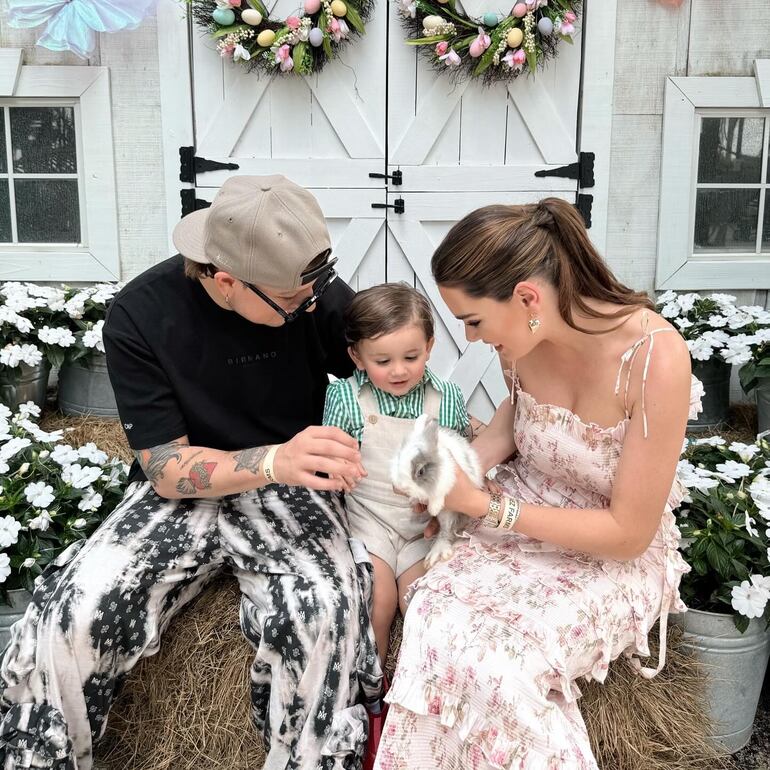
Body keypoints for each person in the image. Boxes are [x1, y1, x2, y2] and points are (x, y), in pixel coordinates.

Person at [0, 175, 382, 770]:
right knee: (72, 613)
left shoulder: (304, 286)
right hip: (186, 485)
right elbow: (166, 467)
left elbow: (389, 363)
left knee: (326, 615)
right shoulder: (139, 315)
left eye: (315, 293)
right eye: (292, 301)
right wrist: (274, 458)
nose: (311, 308)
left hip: (292, 483)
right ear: (225, 279)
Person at [375, 198, 702, 769]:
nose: (471, 339)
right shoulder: (522, 342)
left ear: (527, 297)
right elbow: (518, 416)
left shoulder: (655, 359)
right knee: (428, 608)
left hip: (611, 552)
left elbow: (627, 532)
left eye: (473, 321)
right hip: (525, 502)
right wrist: (457, 469)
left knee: (506, 663)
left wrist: (487, 508)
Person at [322, 283, 470, 667]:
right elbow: (333, 458)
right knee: (379, 602)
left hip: (423, 524)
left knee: (421, 600)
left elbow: (456, 460)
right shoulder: (346, 398)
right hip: (370, 520)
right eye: (383, 361)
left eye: (411, 356)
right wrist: (340, 469)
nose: (399, 370)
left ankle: (415, 693)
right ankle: (373, 689)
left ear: (430, 346)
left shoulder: (447, 398)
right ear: (357, 356)